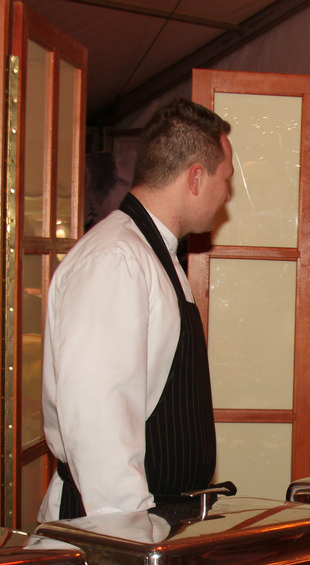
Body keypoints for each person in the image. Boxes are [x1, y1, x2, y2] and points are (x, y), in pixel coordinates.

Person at [38, 98, 234, 521]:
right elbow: (98, 422)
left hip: (164, 517)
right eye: (226, 179)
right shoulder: (115, 259)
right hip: (116, 526)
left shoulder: (152, 252)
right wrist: (129, 538)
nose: (227, 194)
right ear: (196, 178)